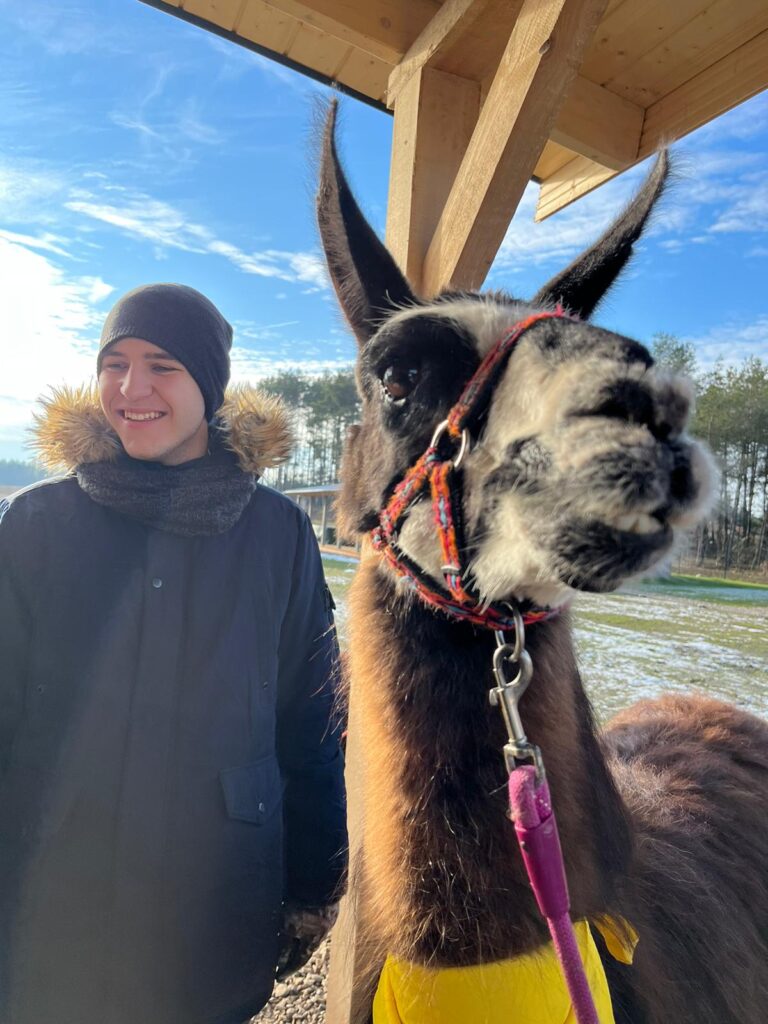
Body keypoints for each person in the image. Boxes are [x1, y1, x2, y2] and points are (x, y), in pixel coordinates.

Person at [0, 283, 347, 1024]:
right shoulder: (34, 525)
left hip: (214, 902)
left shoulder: (278, 534)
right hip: (49, 893)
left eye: (162, 366)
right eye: (115, 364)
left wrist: (317, 884)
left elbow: (313, 718)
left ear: (208, 384)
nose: (132, 389)